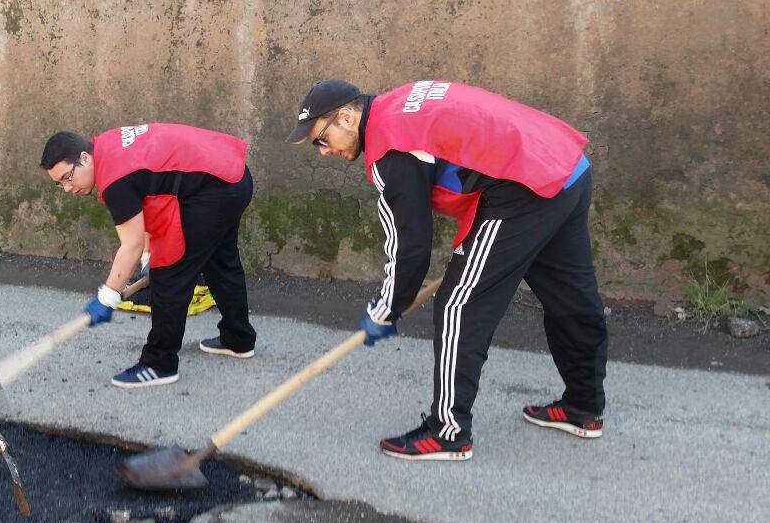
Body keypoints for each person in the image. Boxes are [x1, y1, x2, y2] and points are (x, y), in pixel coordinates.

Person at [287, 79, 607, 461]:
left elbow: (411, 248)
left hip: (523, 190)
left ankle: (448, 432)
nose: (323, 151)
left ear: (346, 115)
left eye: (321, 139)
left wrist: (385, 310)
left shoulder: (391, 147)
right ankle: (583, 407)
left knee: (458, 305)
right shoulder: (401, 102)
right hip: (565, 165)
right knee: (569, 294)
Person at [40, 124, 257, 387]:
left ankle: (159, 364)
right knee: (220, 260)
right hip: (233, 175)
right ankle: (238, 338)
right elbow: (148, 203)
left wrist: (107, 296)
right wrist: (146, 259)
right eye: (59, 184)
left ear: (84, 158)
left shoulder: (114, 179)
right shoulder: (108, 146)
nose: (67, 188)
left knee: (171, 273)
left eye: (67, 177)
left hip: (215, 188)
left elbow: (128, 245)